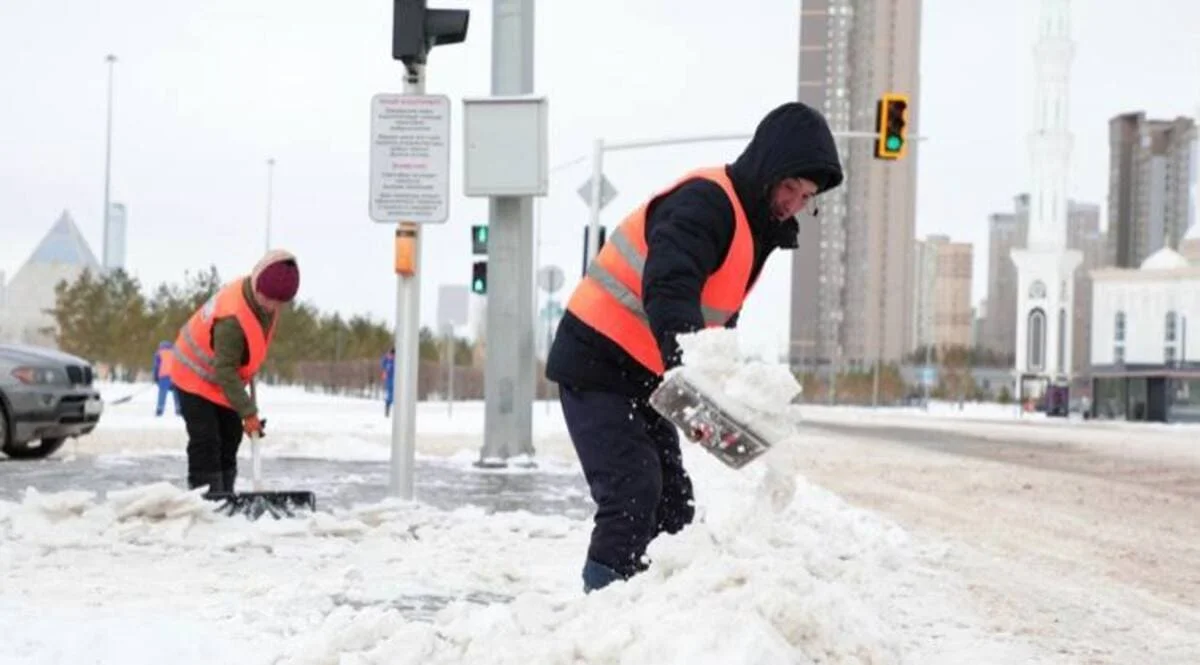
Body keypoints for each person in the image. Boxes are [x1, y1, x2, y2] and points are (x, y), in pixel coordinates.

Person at [545, 102, 844, 592]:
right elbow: (669, 287)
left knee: (674, 506)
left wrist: (720, 402)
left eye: (806, 196)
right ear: (767, 167)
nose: (794, 202)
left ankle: (662, 613)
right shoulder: (708, 202)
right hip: (597, 362)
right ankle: (600, 613)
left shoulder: (754, 230)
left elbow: (713, 327)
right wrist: (692, 376)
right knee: (633, 491)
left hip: (643, 376)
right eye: (790, 186)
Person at [169, 249, 300, 494]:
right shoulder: (232, 317)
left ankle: (225, 495)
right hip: (193, 375)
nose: (271, 306)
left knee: (230, 437)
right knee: (206, 440)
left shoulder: (264, 305)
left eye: (278, 302)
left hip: (222, 379)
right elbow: (225, 370)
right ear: (257, 282)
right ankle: (206, 501)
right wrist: (248, 412)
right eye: (267, 298)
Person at [152, 340, 181, 417]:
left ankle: (160, 408)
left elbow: (156, 366)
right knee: (176, 393)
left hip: (163, 376)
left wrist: (155, 377)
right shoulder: (175, 353)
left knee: (162, 393)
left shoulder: (159, 353)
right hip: (175, 376)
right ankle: (178, 408)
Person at [380, 347, 396, 417]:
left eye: (392, 355)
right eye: (390, 355)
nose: (391, 356)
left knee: (394, 393)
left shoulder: (396, 360)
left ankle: (392, 408)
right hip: (389, 379)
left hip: (396, 379)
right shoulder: (386, 359)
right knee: (390, 393)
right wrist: (384, 372)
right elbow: (383, 365)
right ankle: (387, 409)